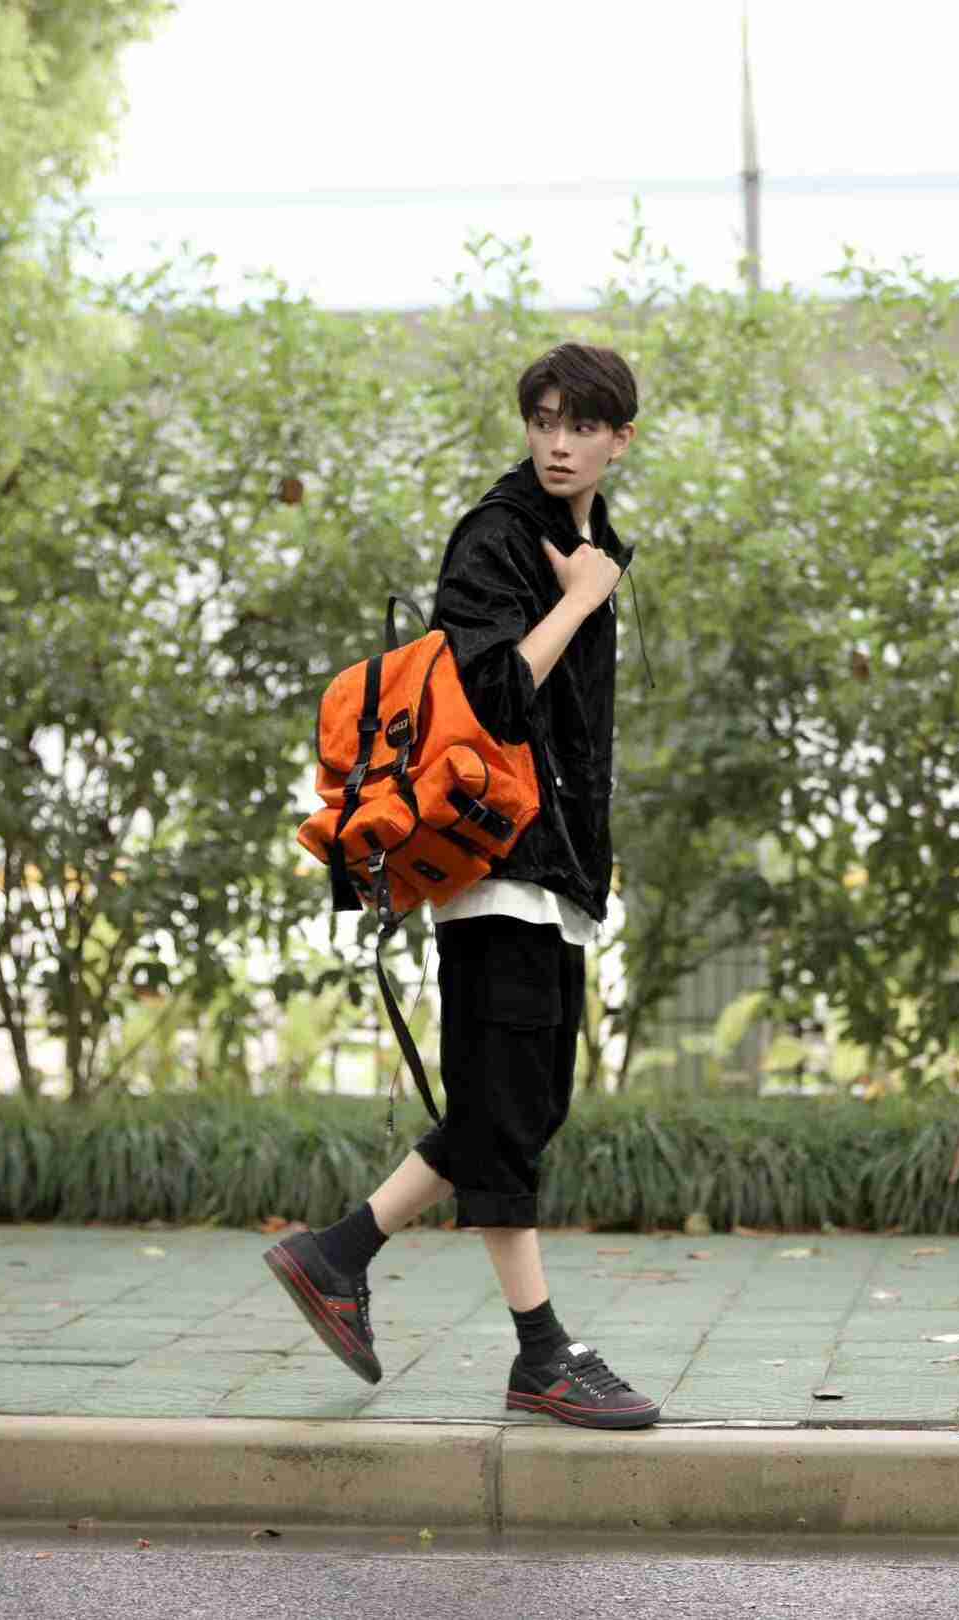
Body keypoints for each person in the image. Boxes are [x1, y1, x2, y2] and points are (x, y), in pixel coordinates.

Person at [264, 342, 660, 1430]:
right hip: (498, 864)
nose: (560, 442)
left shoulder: (589, 544)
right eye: (545, 420)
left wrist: (590, 583)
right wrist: (579, 600)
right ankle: (541, 1351)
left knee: (518, 1104)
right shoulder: (498, 535)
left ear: (621, 439)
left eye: (583, 425)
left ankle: (336, 1255)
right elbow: (491, 700)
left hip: (557, 866)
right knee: (508, 1109)